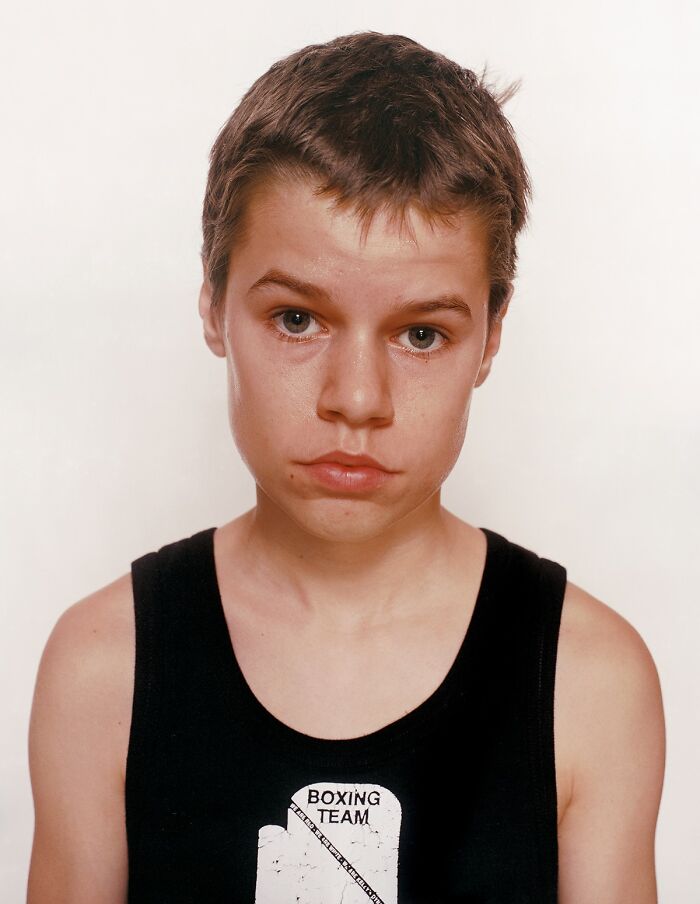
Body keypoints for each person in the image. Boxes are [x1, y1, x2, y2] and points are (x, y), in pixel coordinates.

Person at [26, 31, 665, 904]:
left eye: (421, 334)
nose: (356, 399)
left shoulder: (590, 681)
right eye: (297, 320)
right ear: (213, 304)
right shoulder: (106, 668)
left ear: (491, 337)